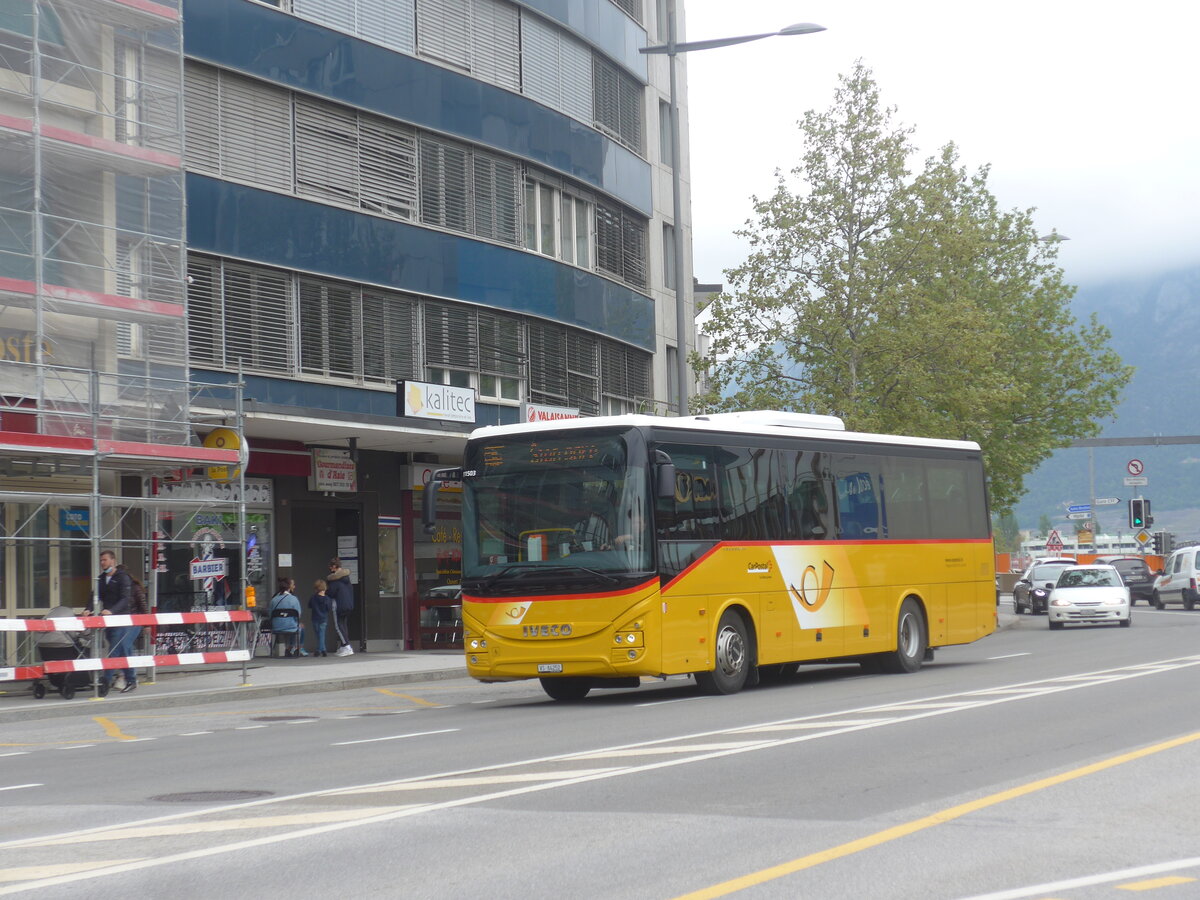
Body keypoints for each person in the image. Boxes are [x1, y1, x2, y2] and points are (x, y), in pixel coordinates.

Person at [97, 549, 138, 694]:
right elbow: (95, 596)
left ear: (113, 561)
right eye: (101, 560)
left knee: (115, 650)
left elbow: (125, 599)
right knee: (122, 651)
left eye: (105, 560)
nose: (102, 563)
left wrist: (112, 611)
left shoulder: (123, 578)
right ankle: (131, 680)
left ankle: (106, 682)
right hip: (109, 622)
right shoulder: (101, 579)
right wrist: (88, 609)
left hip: (123, 620)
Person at [326, 558, 355, 657]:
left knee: (338, 626)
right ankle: (343, 646)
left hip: (339, 604)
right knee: (344, 625)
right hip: (348, 604)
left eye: (330, 566)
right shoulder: (347, 579)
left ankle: (347, 646)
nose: (329, 568)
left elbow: (330, 593)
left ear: (334, 567)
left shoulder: (335, 580)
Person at [268, 576, 303, 657]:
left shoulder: (273, 600)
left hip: (276, 627)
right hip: (291, 626)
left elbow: (270, 615)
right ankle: (291, 648)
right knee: (298, 627)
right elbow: (298, 615)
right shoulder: (294, 599)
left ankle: (287, 648)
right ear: (288, 588)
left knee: (289, 625)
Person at [308, 578, 330, 657]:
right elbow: (328, 608)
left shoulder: (313, 597)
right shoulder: (327, 599)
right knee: (321, 634)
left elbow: (309, 605)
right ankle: (322, 649)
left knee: (318, 634)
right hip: (323, 618)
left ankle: (320, 649)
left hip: (314, 618)